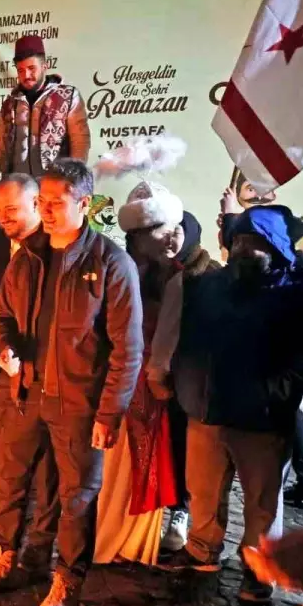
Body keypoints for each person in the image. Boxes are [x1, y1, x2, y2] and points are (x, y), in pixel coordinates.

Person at [0, 158, 142, 606]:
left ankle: (66, 583)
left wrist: (109, 414)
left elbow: (129, 348)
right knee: (10, 481)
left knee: (75, 497)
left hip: (79, 404)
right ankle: (4, 559)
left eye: (55, 202)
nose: (44, 210)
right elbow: (2, 314)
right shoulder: (27, 256)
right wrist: (7, 347)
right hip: (24, 393)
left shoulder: (110, 264)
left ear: (84, 203)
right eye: (40, 201)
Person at [156, 206, 303, 605]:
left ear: (274, 249)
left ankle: (259, 570)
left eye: (253, 243)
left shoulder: (294, 294)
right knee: (203, 490)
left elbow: (300, 360)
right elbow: (188, 340)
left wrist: (273, 395)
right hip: (206, 412)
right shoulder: (210, 285)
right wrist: (187, 389)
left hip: (262, 422)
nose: (242, 249)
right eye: (238, 240)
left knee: (261, 501)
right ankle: (203, 550)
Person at [96, 184, 219, 565]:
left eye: (164, 232)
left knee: (183, 455)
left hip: (190, 382)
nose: (161, 242)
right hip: (141, 385)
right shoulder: (134, 271)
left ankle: (180, 514)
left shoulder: (204, 272)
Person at [0, 175, 60, 572]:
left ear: (37, 205)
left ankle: (37, 547)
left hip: (44, 377)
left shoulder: (57, 250)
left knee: (43, 470)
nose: (3, 218)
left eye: (12, 210)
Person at [0, 35, 91, 202]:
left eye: (32, 68)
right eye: (21, 70)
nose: (27, 75)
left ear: (45, 66)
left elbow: (80, 141)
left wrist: (75, 182)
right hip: (19, 193)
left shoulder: (67, 97)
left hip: (55, 190)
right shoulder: (10, 104)